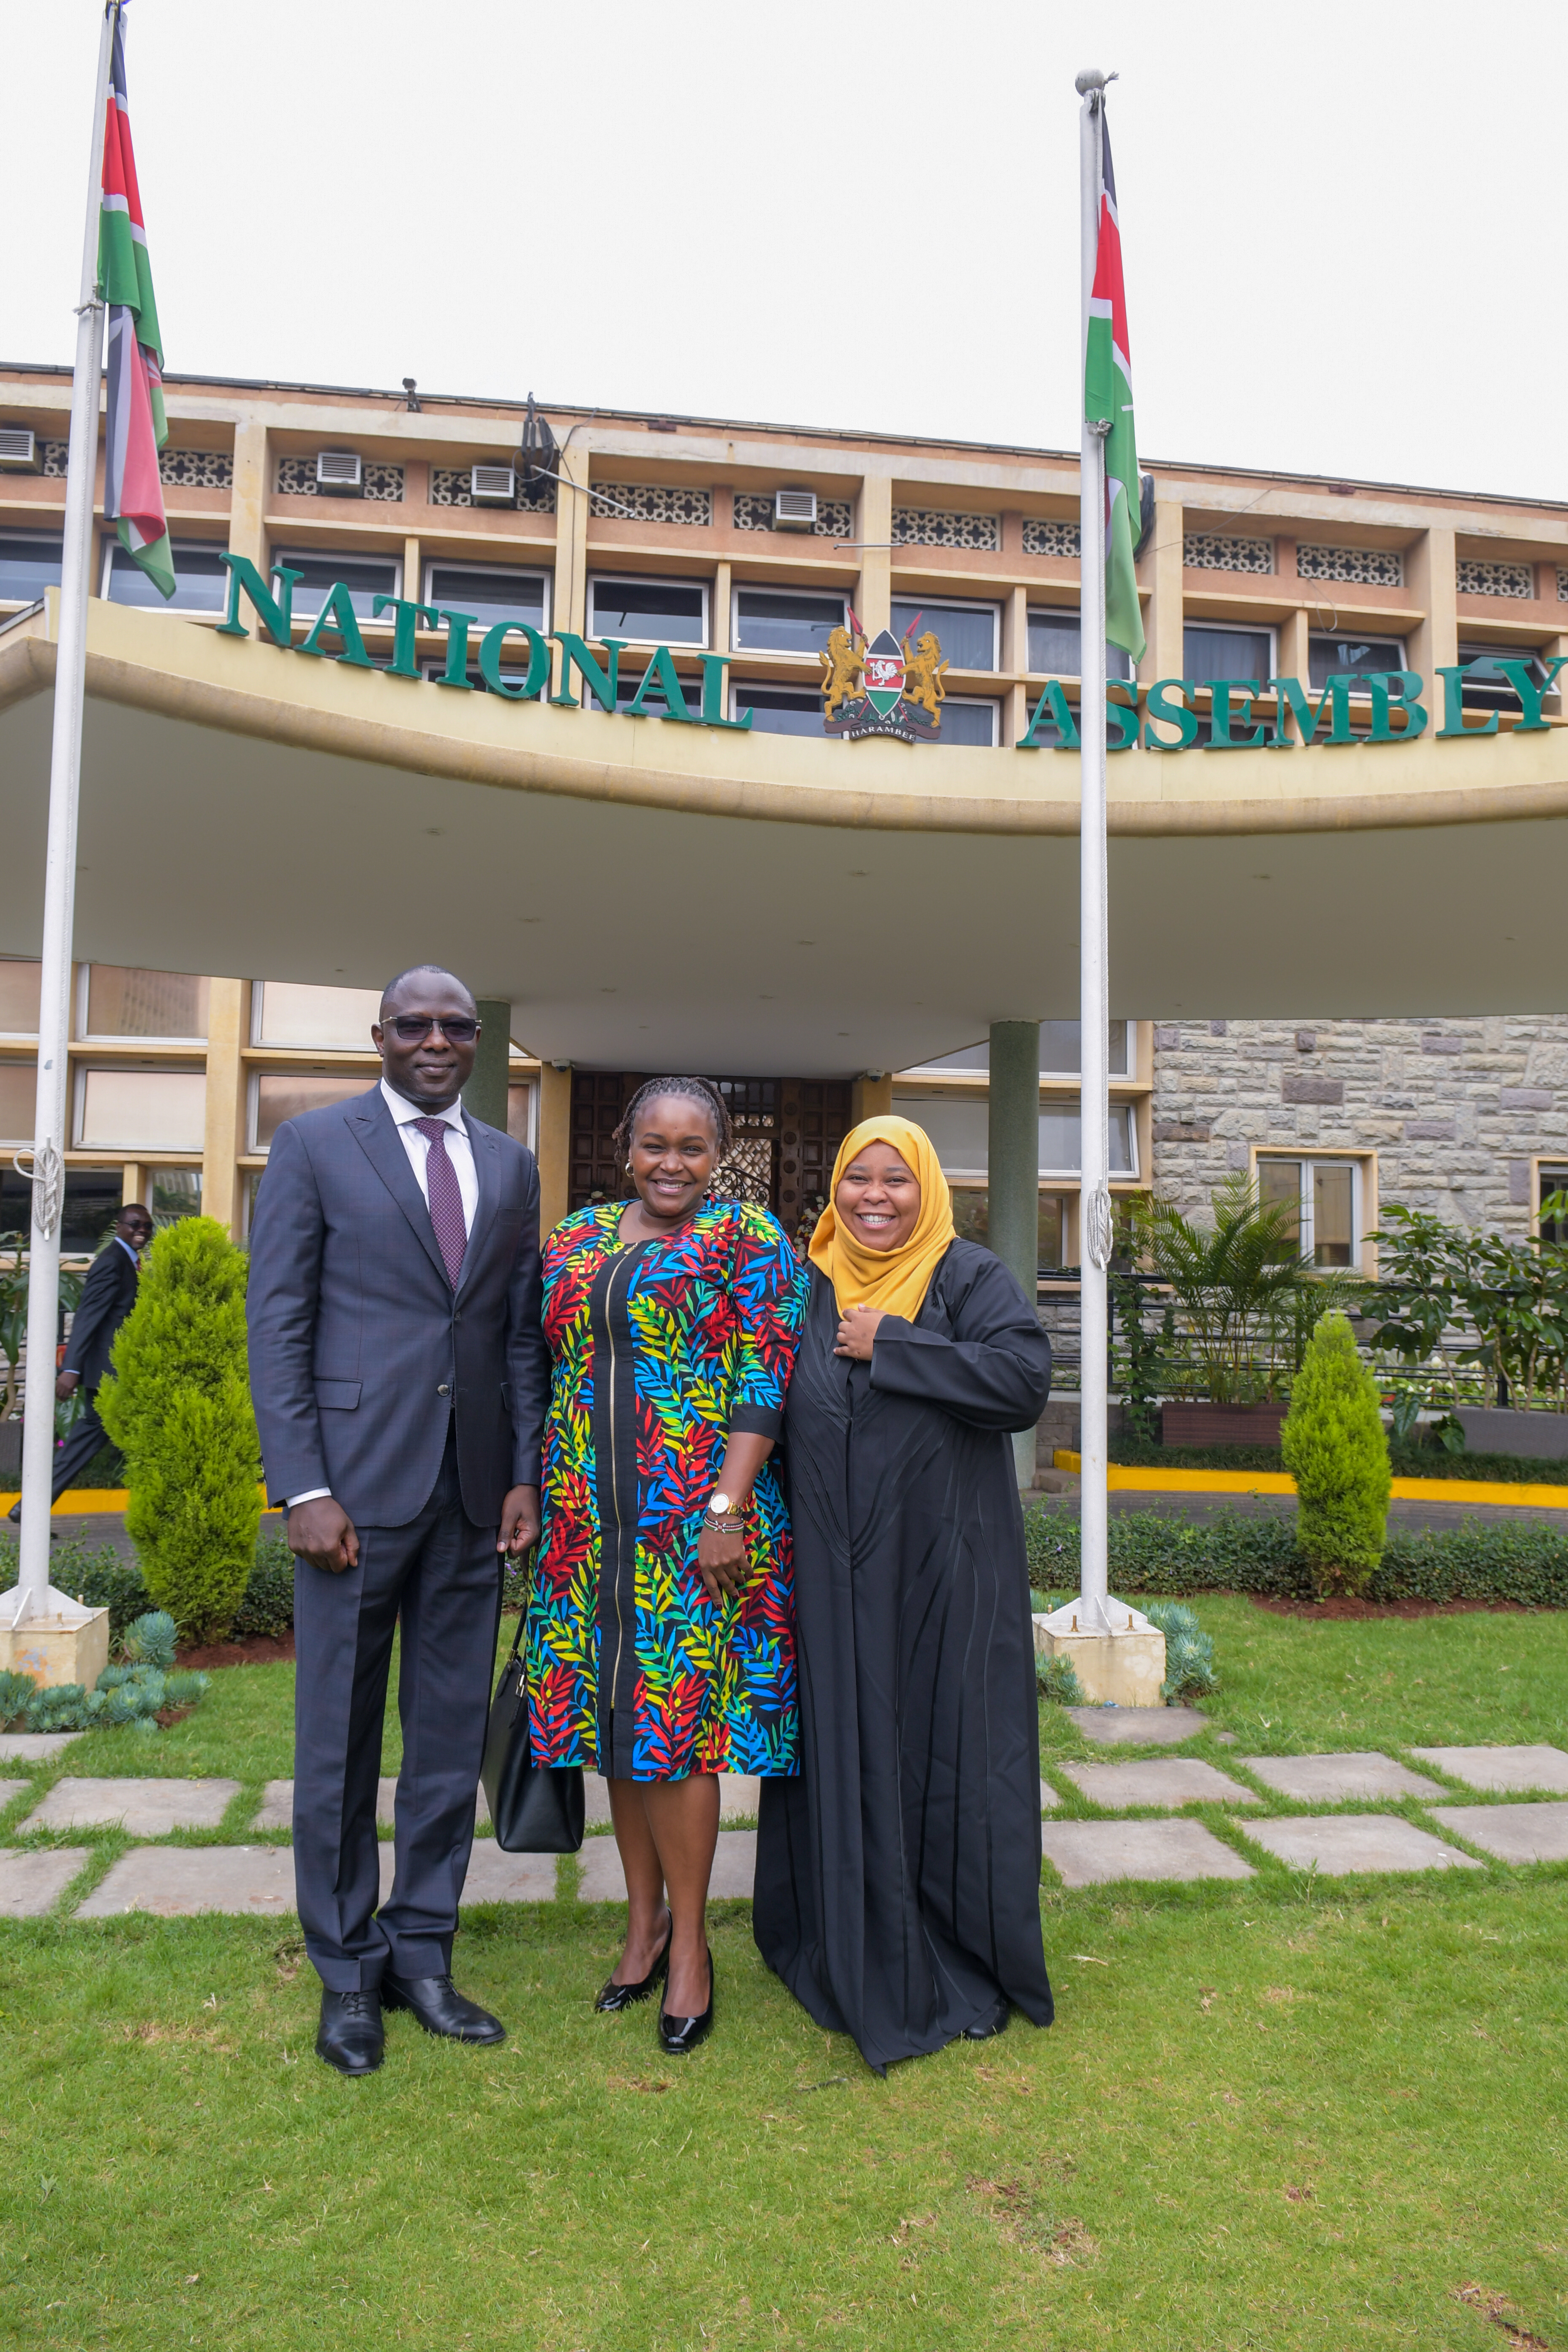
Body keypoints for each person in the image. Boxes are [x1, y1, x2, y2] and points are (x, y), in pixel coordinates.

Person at [246, 966, 550, 2077]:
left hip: (472, 1498)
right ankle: (345, 1973)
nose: (435, 1040)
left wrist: (521, 1475)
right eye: (414, 1024)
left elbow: (517, 1336)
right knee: (335, 1743)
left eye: (455, 1027)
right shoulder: (315, 1146)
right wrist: (303, 1486)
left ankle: (423, 1952)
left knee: (443, 1742)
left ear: (476, 1044)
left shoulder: (512, 1167)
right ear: (379, 1035)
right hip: (352, 1499)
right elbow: (277, 1321)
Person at [753, 1114, 1055, 2074]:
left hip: (943, 1574)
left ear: (928, 1190)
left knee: (942, 1747)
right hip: (832, 1581)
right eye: (857, 1179)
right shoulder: (804, 1284)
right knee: (846, 1742)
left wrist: (898, 1342)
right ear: (834, 1187)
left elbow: (1023, 1380)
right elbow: (763, 1402)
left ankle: (951, 1940)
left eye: (896, 1180)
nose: (875, 1197)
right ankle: (850, 1934)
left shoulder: (967, 1277)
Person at [523, 1077, 807, 2055]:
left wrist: (726, 1508)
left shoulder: (749, 1238)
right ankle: (638, 1923)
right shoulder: (577, 1236)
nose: (672, 1164)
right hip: (582, 1525)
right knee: (616, 1720)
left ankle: (691, 1948)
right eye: (654, 1145)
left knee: (680, 1730)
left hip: (693, 1528)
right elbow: (548, 1363)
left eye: (693, 1147)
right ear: (623, 1145)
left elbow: (766, 1377)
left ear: (719, 1151)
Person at [7, 1201, 155, 1523]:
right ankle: (29, 1507)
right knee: (95, 1435)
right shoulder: (112, 1261)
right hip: (106, 1373)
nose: (142, 1231)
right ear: (120, 1227)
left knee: (96, 1438)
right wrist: (71, 1369)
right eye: (135, 1224)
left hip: (119, 1370)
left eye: (147, 1226)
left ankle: (29, 1507)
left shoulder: (129, 1262)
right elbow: (88, 1316)